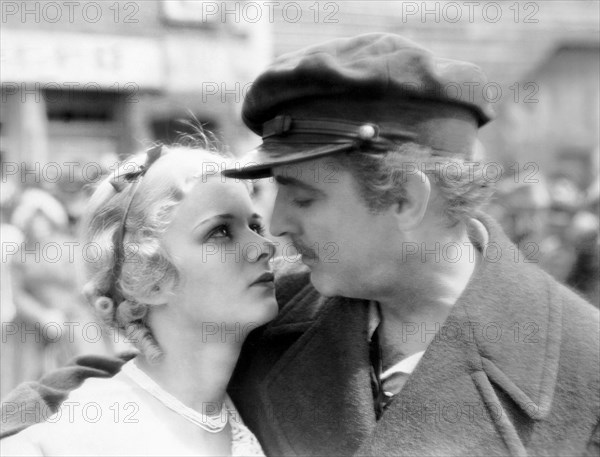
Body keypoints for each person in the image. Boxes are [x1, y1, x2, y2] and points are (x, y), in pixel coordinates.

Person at [2, 33, 599, 456]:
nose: (276, 226)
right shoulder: (275, 310)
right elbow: (124, 378)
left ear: (405, 199)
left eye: (302, 196)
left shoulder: (583, 370)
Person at [1, 143, 276, 456]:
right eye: (220, 231)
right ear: (148, 279)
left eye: (255, 226)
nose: (265, 246)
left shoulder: (266, 404)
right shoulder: (71, 438)